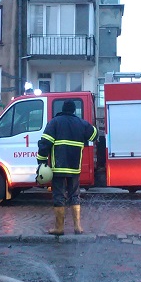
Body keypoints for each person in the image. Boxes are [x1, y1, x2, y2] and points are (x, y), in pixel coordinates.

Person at [37, 100, 98, 235]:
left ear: (63, 109)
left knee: (59, 195)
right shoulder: (81, 123)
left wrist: (41, 161)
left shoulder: (54, 122)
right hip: (74, 167)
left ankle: (59, 228)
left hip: (58, 168)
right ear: (74, 111)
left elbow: (45, 143)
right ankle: (78, 227)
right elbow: (95, 135)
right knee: (74, 194)